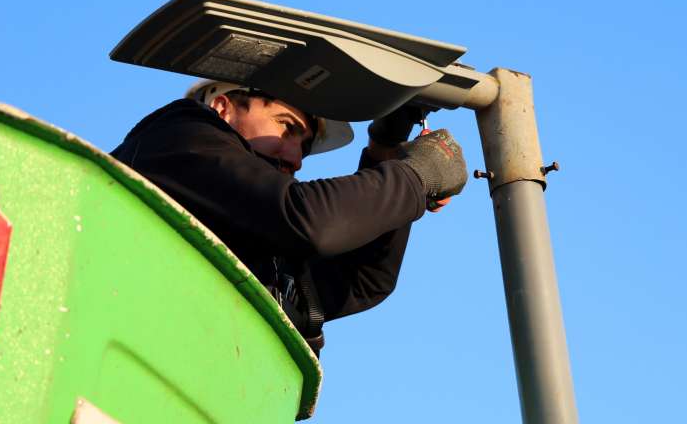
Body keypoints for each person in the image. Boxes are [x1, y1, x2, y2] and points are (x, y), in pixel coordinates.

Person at [110, 80, 468, 354]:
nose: (296, 159)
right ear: (222, 108)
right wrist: (418, 175)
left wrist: (386, 151)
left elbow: (361, 281)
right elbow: (309, 219)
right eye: (286, 128)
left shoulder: (255, 241)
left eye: (305, 146)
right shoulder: (180, 136)